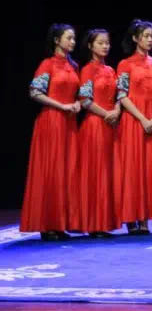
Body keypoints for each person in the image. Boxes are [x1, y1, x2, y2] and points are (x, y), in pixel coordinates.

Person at [22, 24, 82, 240]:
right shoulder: (47, 65)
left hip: (69, 123)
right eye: (68, 38)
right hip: (51, 121)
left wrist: (78, 103)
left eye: (74, 38)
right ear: (57, 40)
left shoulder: (74, 66)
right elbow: (34, 92)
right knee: (51, 170)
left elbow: (81, 93)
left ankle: (60, 223)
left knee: (66, 171)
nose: (72, 42)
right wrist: (61, 105)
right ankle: (47, 224)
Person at [115, 19, 152, 235]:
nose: (149, 40)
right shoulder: (125, 64)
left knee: (149, 168)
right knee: (133, 169)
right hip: (133, 120)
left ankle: (145, 218)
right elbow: (121, 95)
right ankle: (131, 217)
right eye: (145, 36)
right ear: (135, 38)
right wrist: (142, 118)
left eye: (151, 36)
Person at [74, 28, 120, 238]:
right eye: (100, 43)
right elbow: (85, 100)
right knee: (95, 173)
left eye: (107, 42)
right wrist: (106, 114)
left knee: (108, 174)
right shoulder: (86, 70)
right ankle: (93, 223)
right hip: (94, 126)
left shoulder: (111, 70)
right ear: (90, 46)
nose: (105, 46)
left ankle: (104, 222)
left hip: (111, 126)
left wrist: (117, 110)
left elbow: (120, 95)